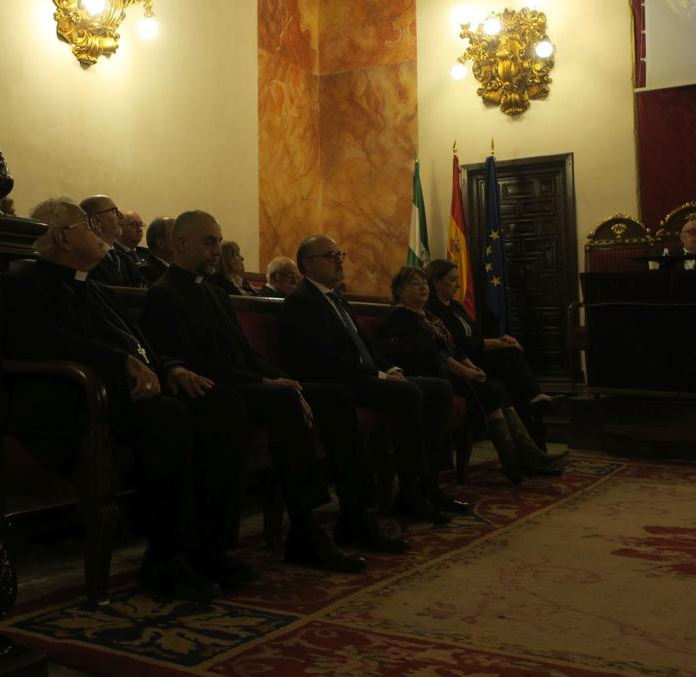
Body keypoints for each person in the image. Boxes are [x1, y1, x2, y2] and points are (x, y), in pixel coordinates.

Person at [4, 197, 249, 601]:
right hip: (74, 403)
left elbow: (143, 343)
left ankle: (210, 547)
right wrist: (122, 362)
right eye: (88, 224)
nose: (100, 230)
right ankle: (164, 561)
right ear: (63, 238)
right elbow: (43, 340)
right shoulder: (24, 282)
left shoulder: (94, 286)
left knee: (222, 404)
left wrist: (170, 367)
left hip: (124, 393)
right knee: (169, 417)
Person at [140, 211, 407, 567]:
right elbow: (193, 362)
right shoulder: (164, 294)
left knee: (332, 395)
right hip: (219, 389)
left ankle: (356, 514)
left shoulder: (216, 294)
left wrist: (279, 376)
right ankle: (304, 530)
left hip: (245, 383)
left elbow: (246, 353)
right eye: (209, 242)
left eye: (219, 241)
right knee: (284, 401)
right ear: (180, 243)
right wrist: (266, 382)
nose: (217, 250)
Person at [279, 235, 468, 523]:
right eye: (330, 256)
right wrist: (378, 374)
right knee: (409, 395)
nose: (339, 260)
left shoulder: (336, 297)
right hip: (340, 379)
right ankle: (409, 495)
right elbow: (323, 357)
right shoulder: (301, 301)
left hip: (364, 374)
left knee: (439, 389)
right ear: (307, 264)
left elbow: (366, 345)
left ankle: (428, 483)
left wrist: (390, 368)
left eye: (339, 253)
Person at [375, 267, 562, 483]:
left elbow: (455, 347)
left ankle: (525, 456)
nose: (423, 287)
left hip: (452, 370)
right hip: (430, 374)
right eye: (415, 283)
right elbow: (435, 355)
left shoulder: (429, 315)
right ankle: (516, 461)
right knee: (489, 390)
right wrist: (466, 372)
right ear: (400, 291)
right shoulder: (400, 318)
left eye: (424, 282)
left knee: (497, 386)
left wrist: (473, 366)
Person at [424, 259, 559, 449]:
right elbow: (460, 343)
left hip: (477, 354)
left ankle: (533, 413)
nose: (458, 285)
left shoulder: (456, 307)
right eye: (452, 280)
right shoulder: (432, 309)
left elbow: (477, 336)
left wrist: (501, 340)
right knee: (509, 357)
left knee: (514, 371)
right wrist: (497, 343)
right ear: (436, 281)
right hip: (465, 361)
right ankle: (532, 406)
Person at [79, 194, 145, 287]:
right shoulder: (85, 261)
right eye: (114, 211)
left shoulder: (125, 260)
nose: (121, 217)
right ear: (97, 221)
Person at [139, 216, 175, 285]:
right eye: (176, 235)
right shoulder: (147, 272)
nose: (182, 241)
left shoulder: (176, 267)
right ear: (161, 243)